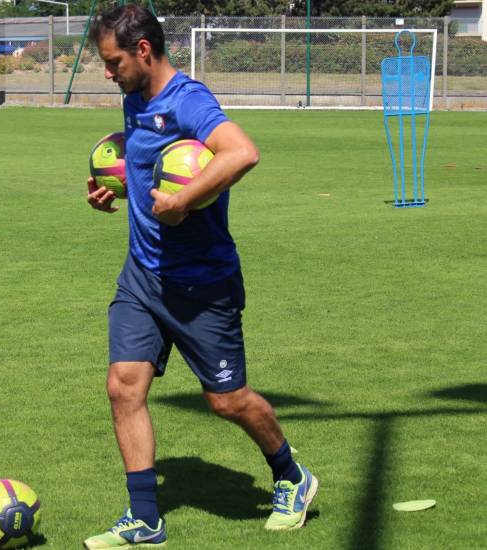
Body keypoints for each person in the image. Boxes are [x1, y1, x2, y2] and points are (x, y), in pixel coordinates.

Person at [83, 5, 318, 549]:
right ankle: (144, 518)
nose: (108, 72)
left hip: (201, 283)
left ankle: (291, 476)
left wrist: (182, 203)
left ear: (143, 51)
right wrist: (108, 185)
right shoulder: (134, 96)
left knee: (227, 401)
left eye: (113, 61)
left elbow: (243, 152)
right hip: (143, 274)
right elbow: (146, 156)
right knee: (123, 387)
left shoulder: (189, 99)